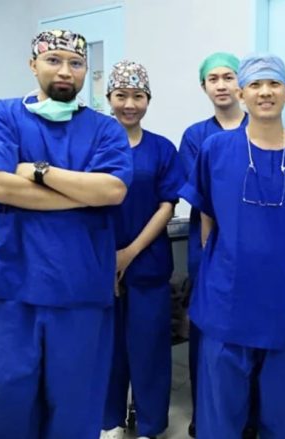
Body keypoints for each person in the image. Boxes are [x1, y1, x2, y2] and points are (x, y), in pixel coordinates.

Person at [0, 30, 132, 438]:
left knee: (75, 405)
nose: (65, 71)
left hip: (79, 286)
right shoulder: (2, 115)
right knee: (4, 400)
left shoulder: (105, 129)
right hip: (12, 284)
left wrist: (39, 171)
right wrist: (83, 194)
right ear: (33, 65)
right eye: (53, 60)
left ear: (85, 71)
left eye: (75, 63)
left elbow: (113, 190)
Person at [179, 53, 285, 439]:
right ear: (242, 94)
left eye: (274, 84)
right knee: (220, 414)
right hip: (227, 298)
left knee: (283, 409)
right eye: (256, 85)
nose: (265, 92)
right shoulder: (215, 149)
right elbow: (206, 212)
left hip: (283, 299)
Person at [100, 61, 185, 439]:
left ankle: (150, 426)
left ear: (148, 99)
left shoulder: (161, 149)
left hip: (147, 264)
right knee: (108, 350)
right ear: (109, 98)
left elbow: (168, 205)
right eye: (121, 95)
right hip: (100, 264)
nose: (129, 104)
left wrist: (129, 253)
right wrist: (107, 260)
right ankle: (111, 421)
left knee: (150, 350)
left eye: (138, 96)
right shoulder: (96, 146)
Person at [178, 52, 249, 438]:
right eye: (213, 79)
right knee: (206, 330)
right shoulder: (195, 136)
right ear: (203, 86)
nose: (221, 85)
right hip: (207, 244)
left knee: (246, 329)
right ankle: (204, 415)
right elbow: (201, 191)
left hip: (252, 244)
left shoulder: (260, 126)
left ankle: (246, 416)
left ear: (241, 83)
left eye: (228, 77)